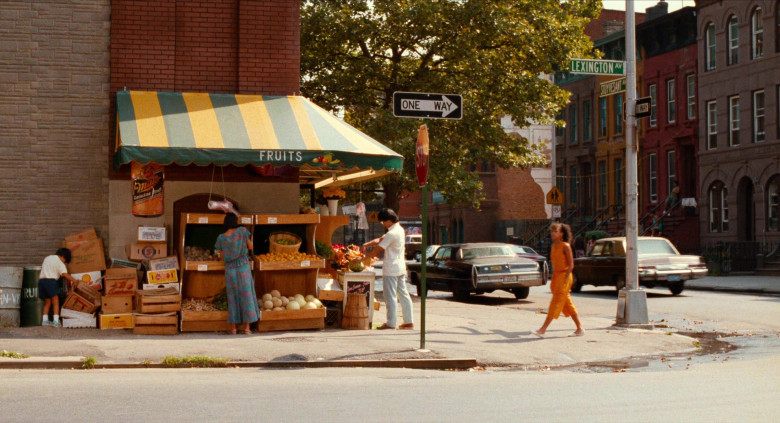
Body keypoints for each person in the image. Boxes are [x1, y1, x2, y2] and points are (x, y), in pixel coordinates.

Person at [357, 208, 414, 330]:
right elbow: (380, 240)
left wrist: (363, 259)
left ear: (389, 220)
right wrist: (366, 244)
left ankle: (391, 323)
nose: (382, 224)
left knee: (390, 296)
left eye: (383, 222)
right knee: (403, 294)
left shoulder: (392, 233)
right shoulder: (398, 230)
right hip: (400, 267)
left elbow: (379, 248)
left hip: (391, 268)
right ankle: (409, 321)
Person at [531, 223, 584, 338]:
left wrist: (565, 279)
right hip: (556, 276)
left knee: (556, 302)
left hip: (565, 276)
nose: (553, 233)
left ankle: (543, 329)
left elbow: (571, 265)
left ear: (562, 233)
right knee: (567, 303)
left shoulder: (566, 246)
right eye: (552, 231)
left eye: (555, 231)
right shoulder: (553, 246)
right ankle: (579, 328)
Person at [215, 213, 260, 335]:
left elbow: (221, 256)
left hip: (230, 269)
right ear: (235, 221)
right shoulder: (242, 231)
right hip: (243, 267)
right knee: (247, 296)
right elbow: (251, 247)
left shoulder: (221, 238)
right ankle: (247, 328)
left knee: (232, 298)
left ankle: (234, 329)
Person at [38, 248, 79, 327]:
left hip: (42, 281)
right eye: (65, 260)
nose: (64, 262)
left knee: (47, 302)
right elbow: (64, 274)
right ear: (63, 256)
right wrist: (74, 281)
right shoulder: (60, 263)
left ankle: (45, 321)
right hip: (51, 281)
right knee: (56, 302)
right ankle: (56, 321)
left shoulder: (47, 258)